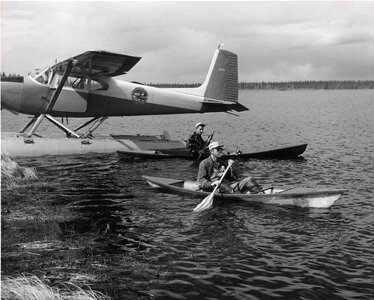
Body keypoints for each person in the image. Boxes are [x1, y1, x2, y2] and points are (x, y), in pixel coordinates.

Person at [197, 141, 264, 194]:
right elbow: (201, 181)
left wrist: (231, 167)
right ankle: (238, 195)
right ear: (212, 151)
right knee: (222, 185)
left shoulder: (223, 163)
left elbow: (233, 178)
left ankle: (260, 193)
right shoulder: (204, 163)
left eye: (221, 149)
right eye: (218, 149)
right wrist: (212, 184)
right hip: (214, 188)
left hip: (227, 186)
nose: (220, 151)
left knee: (249, 179)